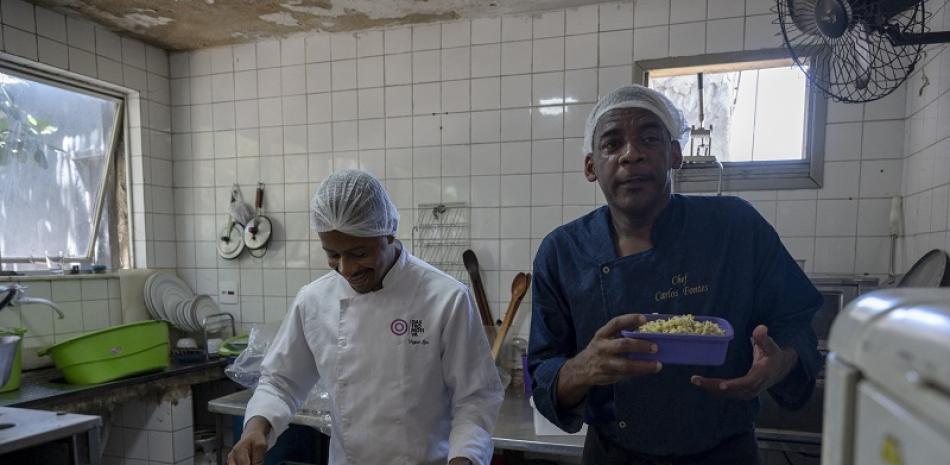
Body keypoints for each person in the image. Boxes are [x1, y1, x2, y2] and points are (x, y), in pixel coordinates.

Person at [528, 85, 822, 465]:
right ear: (590, 166)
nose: (631, 154)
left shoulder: (736, 228)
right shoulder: (563, 252)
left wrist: (782, 363)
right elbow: (543, 375)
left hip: (725, 454)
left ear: (676, 154)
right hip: (615, 457)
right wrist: (581, 368)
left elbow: (796, 323)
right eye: (612, 144)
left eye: (649, 138)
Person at [229, 169, 503, 465]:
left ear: (388, 233)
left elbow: (475, 399)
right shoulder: (314, 301)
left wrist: (464, 458)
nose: (346, 269)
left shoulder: (446, 299)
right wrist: (255, 428)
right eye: (332, 254)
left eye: (358, 253)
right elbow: (280, 381)